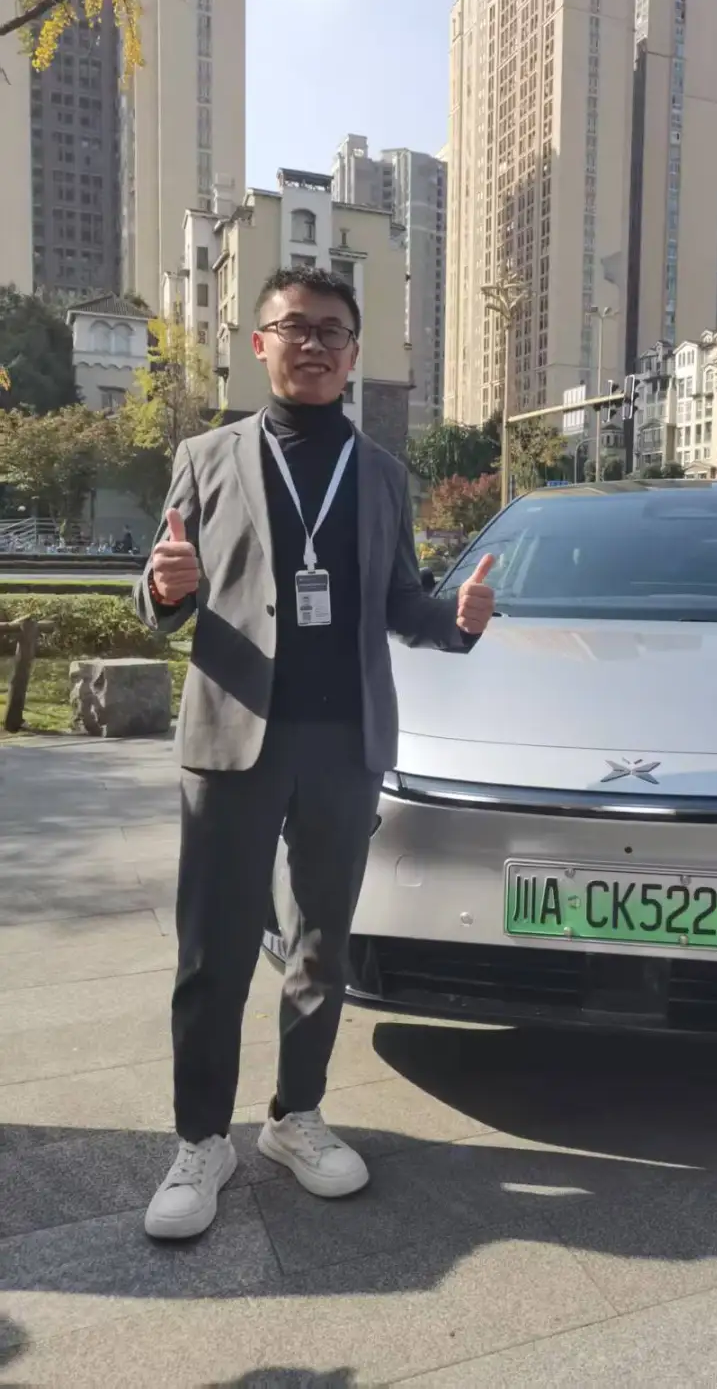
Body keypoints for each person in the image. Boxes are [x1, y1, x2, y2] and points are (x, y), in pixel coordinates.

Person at [134, 265, 496, 1241]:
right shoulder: (206, 457)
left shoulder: (379, 472)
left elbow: (401, 602)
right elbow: (160, 587)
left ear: (353, 353)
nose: (313, 344)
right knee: (212, 953)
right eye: (293, 327)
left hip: (345, 744)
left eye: (331, 331)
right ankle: (200, 1141)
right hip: (234, 739)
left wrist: (457, 621)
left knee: (323, 945)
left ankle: (296, 1115)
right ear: (259, 344)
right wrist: (165, 588)